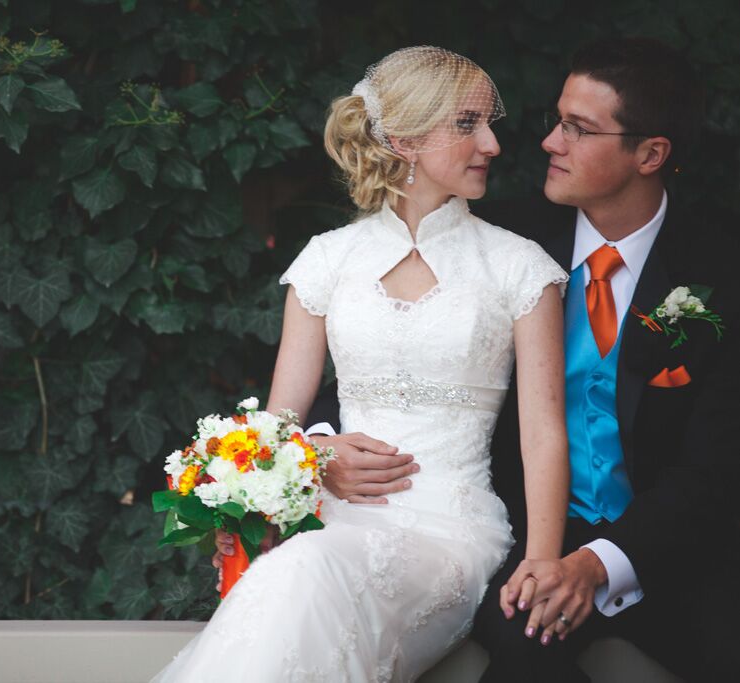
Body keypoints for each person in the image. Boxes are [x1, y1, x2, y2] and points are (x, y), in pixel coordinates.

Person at [301, 38, 740, 682]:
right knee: (520, 654)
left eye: (578, 129)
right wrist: (320, 445)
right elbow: (374, 353)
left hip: (671, 550)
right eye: (555, 120)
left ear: (650, 154)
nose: (548, 143)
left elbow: (716, 466)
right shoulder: (498, 242)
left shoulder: (722, 270)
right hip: (526, 537)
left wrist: (598, 564)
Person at [154, 46, 569, 682]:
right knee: (295, 570)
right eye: (467, 124)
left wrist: (543, 558)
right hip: (334, 521)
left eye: (490, 123)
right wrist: (315, 458)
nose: (492, 143)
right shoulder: (327, 260)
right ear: (402, 138)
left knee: (302, 571)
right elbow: (279, 424)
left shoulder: (519, 267)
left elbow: (543, 433)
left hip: (451, 533)